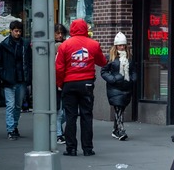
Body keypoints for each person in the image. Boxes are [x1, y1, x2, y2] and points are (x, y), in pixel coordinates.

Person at [55, 18, 108, 157]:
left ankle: (71, 148)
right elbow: (102, 62)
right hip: (87, 84)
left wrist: (61, 84)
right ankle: (88, 149)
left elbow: (59, 68)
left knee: (71, 117)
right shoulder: (93, 44)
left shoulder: (64, 45)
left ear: (72, 29)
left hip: (69, 84)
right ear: (85, 28)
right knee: (86, 116)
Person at [0, 21, 31, 140]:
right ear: (11, 30)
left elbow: (28, 61)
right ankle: (11, 129)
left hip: (19, 78)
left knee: (17, 106)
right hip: (10, 79)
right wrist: (3, 75)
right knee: (11, 105)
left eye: (19, 31)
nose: (18, 33)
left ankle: (13, 127)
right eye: (16, 31)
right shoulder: (4, 45)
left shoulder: (24, 44)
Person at [101, 32, 137, 141]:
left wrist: (132, 79)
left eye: (123, 45)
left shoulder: (129, 57)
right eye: (120, 45)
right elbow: (104, 71)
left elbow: (133, 71)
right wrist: (113, 79)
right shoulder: (110, 57)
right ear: (115, 46)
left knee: (121, 108)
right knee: (118, 109)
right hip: (115, 87)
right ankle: (121, 130)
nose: (122, 47)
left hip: (126, 86)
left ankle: (115, 130)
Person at [54, 23, 69, 144]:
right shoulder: (50, 45)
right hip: (54, 81)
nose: (60, 35)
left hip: (65, 80)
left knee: (64, 110)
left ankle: (57, 130)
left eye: (61, 33)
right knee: (59, 109)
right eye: (57, 33)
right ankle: (58, 133)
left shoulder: (66, 45)